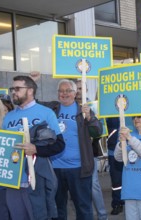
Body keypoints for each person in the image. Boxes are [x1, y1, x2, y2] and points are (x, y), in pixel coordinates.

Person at [2, 75, 65, 220]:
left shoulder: (46, 113)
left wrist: (36, 150)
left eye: (17, 88)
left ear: (30, 91)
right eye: (12, 89)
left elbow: (60, 145)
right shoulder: (8, 117)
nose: (13, 92)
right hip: (14, 180)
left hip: (37, 179)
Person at [45, 79, 102, 220]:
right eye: (61, 91)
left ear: (75, 93)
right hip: (55, 168)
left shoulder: (82, 110)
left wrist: (89, 117)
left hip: (78, 168)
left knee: (83, 208)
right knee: (58, 209)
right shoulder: (52, 110)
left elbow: (97, 132)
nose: (64, 94)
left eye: (68, 91)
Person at [75, 79, 108, 220]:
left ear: (86, 90)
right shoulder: (69, 108)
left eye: (81, 88)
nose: (79, 91)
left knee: (93, 184)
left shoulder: (93, 107)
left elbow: (99, 129)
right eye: (76, 88)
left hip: (90, 152)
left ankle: (102, 216)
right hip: (73, 154)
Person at [106, 117, 124, 215]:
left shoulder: (132, 109)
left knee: (131, 178)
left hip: (131, 150)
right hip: (113, 151)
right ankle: (117, 203)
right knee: (116, 181)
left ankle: (129, 202)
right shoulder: (109, 110)